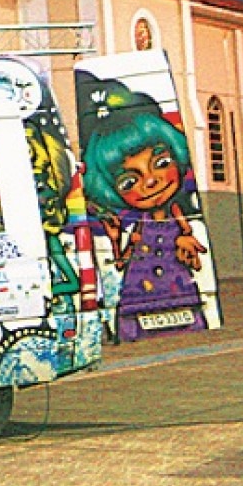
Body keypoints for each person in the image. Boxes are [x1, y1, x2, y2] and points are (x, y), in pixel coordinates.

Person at [80, 82, 207, 341]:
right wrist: (116, 240)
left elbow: (185, 226)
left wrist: (185, 236)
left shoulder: (174, 212)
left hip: (176, 287)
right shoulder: (139, 225)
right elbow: (120, 262)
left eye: (160, 163)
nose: (150, 181)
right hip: (138, 294)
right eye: (129, 181)